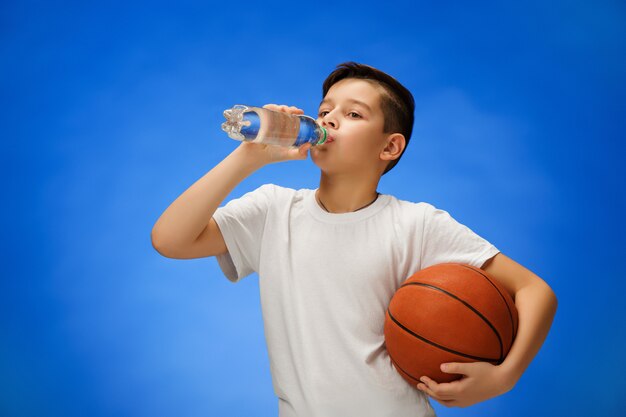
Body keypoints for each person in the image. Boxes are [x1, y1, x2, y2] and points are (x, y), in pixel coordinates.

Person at [151, 62, 558, 417]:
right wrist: (246, 158)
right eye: (325, 110)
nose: (328, 119)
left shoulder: (417, 224)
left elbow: (534, 290)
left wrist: (504, 377)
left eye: (353, 114)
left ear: (389, 146)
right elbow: (170, 240)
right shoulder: (273, 211)